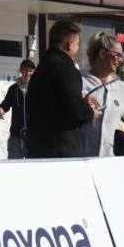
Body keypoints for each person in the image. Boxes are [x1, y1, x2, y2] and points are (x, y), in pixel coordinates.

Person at [25, 21, 101, 158]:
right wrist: (90, 112)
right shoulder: (65, 68)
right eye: (77, 44)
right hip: (62, 149)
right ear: (70, 44)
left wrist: (81, 103)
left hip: (39, 147)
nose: (78, 48)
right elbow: (74, 110)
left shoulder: (42, 67)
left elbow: (55, 103)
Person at [0, 59, 35, 159]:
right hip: (16, 137)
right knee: (14, 168)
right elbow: (5, 105)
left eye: (31, 71)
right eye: (26, 70)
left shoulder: (37, 88)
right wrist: (0, 109)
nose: (28, 73)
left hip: (33, 137)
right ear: (20, 71)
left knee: (34, 168)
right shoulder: (13, 89)